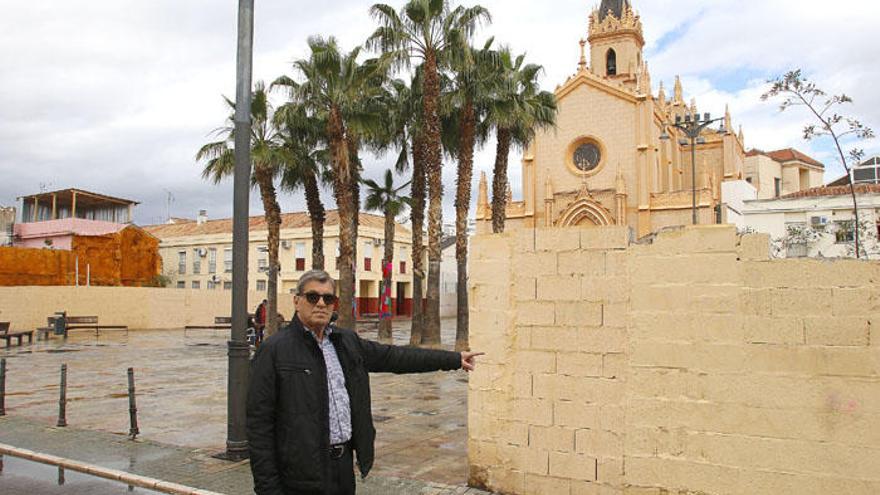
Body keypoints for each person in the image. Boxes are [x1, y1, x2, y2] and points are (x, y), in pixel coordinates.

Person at [247, 269, 483, 495]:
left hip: (342, 469)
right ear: (297, 301)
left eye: (328, 298)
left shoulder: (346, 343)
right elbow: (259, 426)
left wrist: (453, 358)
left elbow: (395, 357)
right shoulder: (274, 350)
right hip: (299, 475)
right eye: (312, 297)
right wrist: (268, 489)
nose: (321, 304)